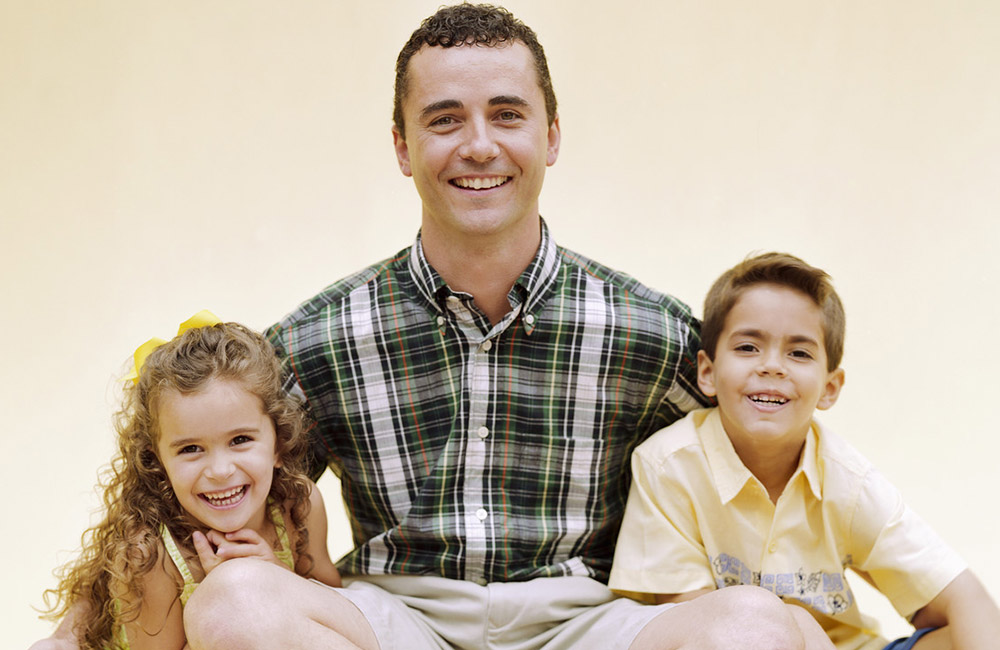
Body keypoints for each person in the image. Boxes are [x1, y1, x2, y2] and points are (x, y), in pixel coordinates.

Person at [175, 6, 840, 650]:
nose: (479, 145)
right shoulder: (323, 337)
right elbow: (176, 471)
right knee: (235, 601)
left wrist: (801, 621)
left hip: (588, 620)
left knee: (753, 624)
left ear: (551, 134)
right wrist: (74, 629)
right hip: (395, 617)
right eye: (445, 120)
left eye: (507, 115)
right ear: (404, 148)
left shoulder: (650, 333)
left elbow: (782, 469)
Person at [607, 252, 1000, 649]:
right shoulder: (669, 466)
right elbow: (699, 626)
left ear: (829, 388)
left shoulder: (848, 480)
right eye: (748, 347)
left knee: (959, 636)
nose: (772, 366)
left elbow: (966, 600)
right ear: (707, 372)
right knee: (777, 620)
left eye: (799, 353)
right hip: (738, 641)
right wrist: (796, 624)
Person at [35, 313, 341, 650]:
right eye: (191, 449)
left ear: (278, 445)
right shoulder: (153, 555)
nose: (220, 470)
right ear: (158, 464)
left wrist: (274, 578)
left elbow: (336, 606)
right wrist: (221, 599)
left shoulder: (299, 506)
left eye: (240, 440)